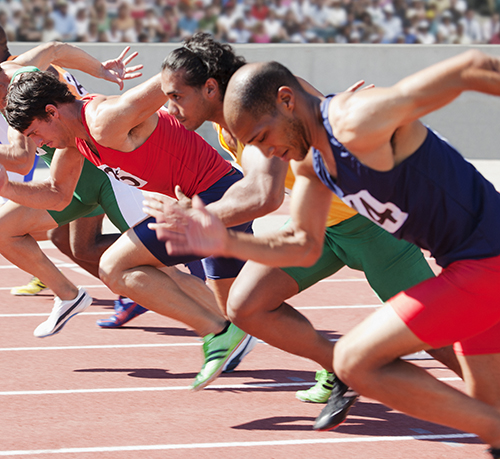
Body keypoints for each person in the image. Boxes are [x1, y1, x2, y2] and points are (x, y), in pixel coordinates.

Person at [142, 51, 500, 459]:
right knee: (489, 398)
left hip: (487, 260)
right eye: (253, 146)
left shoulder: (354, 119)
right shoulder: (310, 165)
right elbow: (301, 244)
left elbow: (470, 67)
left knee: (356, 360)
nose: (268, 153)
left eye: (264, 136)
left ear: (287, 100)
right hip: (467, 264)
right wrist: (222, 240)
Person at [159, 33, 460, 409]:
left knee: (445, 341)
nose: (169, 109)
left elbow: (262, 193)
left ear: (209, 88)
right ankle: (339, 367)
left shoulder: (260, 104)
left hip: (372, 227)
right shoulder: (230, 122)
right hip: (319, 227)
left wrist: (200, 218)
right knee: (246, 305)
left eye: (175, 97)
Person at [3, 67, 255, 391]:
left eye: (35, 133)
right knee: (253, 311)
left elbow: (173, 77)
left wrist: (228, 111)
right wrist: (7, 188)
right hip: (190, 204)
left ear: (51, 111)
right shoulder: (77, 140)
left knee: (114, 266)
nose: (37, 144)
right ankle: (229, 333)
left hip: (216, 199)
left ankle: (220, 333)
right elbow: (57, 194)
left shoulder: (103, 119)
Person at [0, 41, 151, 335]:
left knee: (159, 259)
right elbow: (55, 49)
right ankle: (71, 295)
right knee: (71, 243)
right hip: (71, 179)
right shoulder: (13, 68)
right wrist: (101, 69)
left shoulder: (17, 97)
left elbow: (21, 160)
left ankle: (219, 307)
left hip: (100, 171)